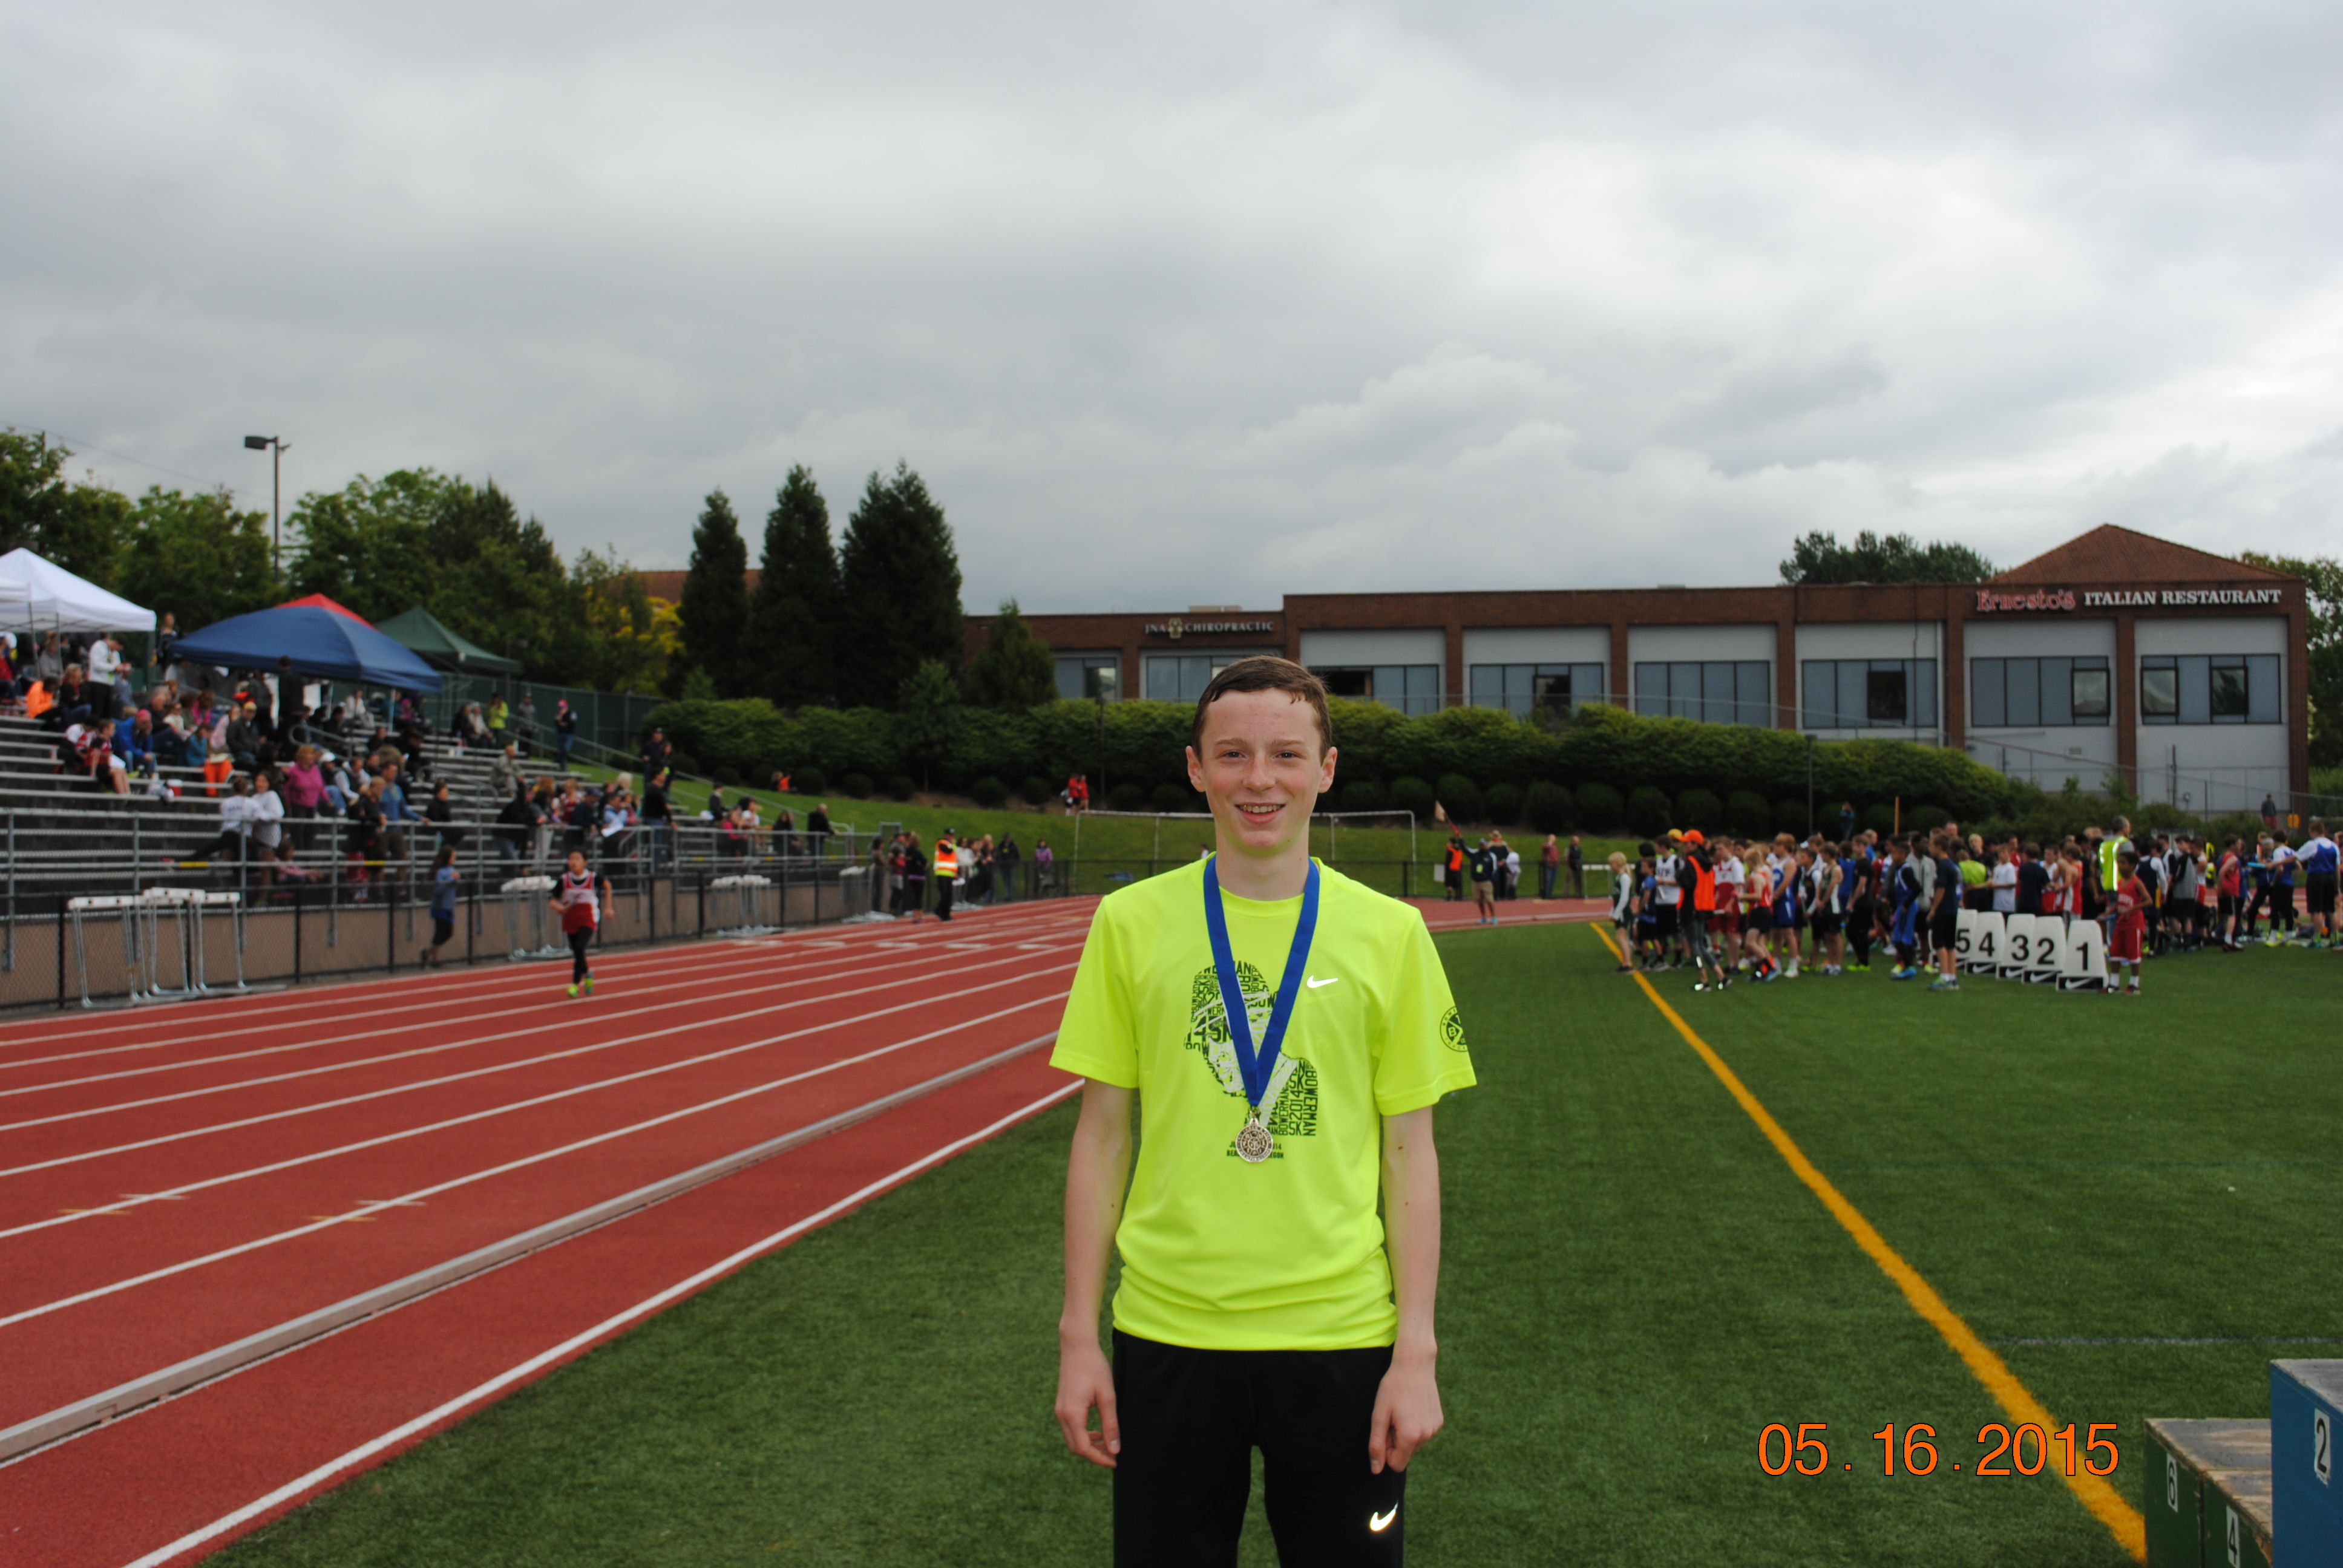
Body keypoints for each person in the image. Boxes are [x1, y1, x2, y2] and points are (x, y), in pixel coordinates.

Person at [1051, 656, 1471, 1564]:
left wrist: (1417, 1351)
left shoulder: (1391, 933)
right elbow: (1102, 1134)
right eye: (1233, 754)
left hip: (1341, 1338)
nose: (1259, 779)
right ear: (1195, 768)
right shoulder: (1129, 923)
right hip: (1167, 1330)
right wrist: (1079, 1332)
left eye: (1286, 754)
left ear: (1326, 769)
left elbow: (1410, 1153)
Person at [550, 849, 611, 997]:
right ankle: (588, 974)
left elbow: (607, 886)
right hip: (571, 919)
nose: (573, 862)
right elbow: (553, 901)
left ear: (585, 862)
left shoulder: (593, 878)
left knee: (579, 948)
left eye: (577, 859)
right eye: (571, 859)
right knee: (577, 952)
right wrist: (558, 907)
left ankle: (575, 985)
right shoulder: (564, 880)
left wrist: (609, 907)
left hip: (588, 918)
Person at [2106, 849, 2149, 995]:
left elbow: (2148, 900)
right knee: (2115, 953)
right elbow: (2119, 903)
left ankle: (2134, 984)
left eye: (2123, 863)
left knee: (2133, 956)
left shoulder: (2137, 883)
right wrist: (2106, 914)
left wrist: (2133, 908)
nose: (2120, 866)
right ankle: (2114, 984)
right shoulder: (2121, 882)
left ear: (2132, 866)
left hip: (2134, 924)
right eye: (2119, 862)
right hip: (2121, 923)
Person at [2300, 817, 2338, 950]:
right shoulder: (2333, 846)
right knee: (2331, 910)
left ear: (2314, 831)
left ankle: (2317, 939)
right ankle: (2334, 938)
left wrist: (2276, 863)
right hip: (2330, 878)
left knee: (2316, 910)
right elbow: (2336, 867)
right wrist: (2337, 885)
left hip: (2316, 878)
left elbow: (2297, 856)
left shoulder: (2313, 844)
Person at [424, 845, 460, 966]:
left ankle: (428, 951)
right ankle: (436, 959)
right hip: (440, 907)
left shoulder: (452, 870)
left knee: (449, 933)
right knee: (440, 932)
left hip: (449, 906)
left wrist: (456, 880)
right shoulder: (440, 872)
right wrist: (451, 880)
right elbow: (439, 890)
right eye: (452, 857)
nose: (453, 859)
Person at [1605, 851, 1635, 972]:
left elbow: (1624, 898)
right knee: (1621, 937)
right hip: (1621, 911)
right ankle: (1626, 963)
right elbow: (1617, 899)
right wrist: (1612, 912)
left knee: (1621, 937)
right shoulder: (1619, 877)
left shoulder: (1624, 878)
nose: (1611, 867)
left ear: (1618, 864)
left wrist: (1617, 914)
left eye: (1612, 864)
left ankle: (1627, 964)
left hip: (1624, 912)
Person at [1467, 836, 1497, 925]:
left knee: (1489, 900)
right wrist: (1460, 839)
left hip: (1486, 881)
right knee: (1479, 900)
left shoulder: (1491, 856)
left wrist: (1491, 879)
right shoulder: (1476, 854)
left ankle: (1493, 917)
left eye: (1483, 845)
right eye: (1480, 845)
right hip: (1476, 881)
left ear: (1487, 845)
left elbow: (1494, 869)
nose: (1482, 846)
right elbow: (1466, 849)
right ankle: (1483, 917)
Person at [933, 830, 960, 921]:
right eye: (950, 835)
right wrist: (953, 845)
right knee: (944, 894)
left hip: (949, 873)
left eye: (952, 835)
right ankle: (939, 911)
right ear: (946, 835)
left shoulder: (951, 845)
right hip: (942, 872)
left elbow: (952, 860)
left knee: (949, 895)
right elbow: (948, 851)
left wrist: (955, 872)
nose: (951, 837)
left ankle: (946, 914)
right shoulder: (942, 843)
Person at [553, 700, 577, 771]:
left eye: (562, 707)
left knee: (565, 749)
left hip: (569, 734)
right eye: (560, 707)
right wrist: (561, 716)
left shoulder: (571, 713)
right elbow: (557, 722)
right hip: (561, 733)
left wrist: (565, 724)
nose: (561, 709)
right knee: (561, 750)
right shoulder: (559, 714)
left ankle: (556, 760)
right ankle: (563, 768)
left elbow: (572, 722)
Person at [1566, 834, 1584, 900]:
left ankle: (1578, 894)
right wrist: (1568, 866)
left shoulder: (1579, 849)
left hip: (1578, 867)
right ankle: (1566, 895)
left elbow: (1581, 857)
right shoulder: (1569, 848)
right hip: (1571, 867)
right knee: (1568, 881)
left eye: (1578, 841)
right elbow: (1566, 857)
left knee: (1578, 881)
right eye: (1576, 841)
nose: (1577, 842)